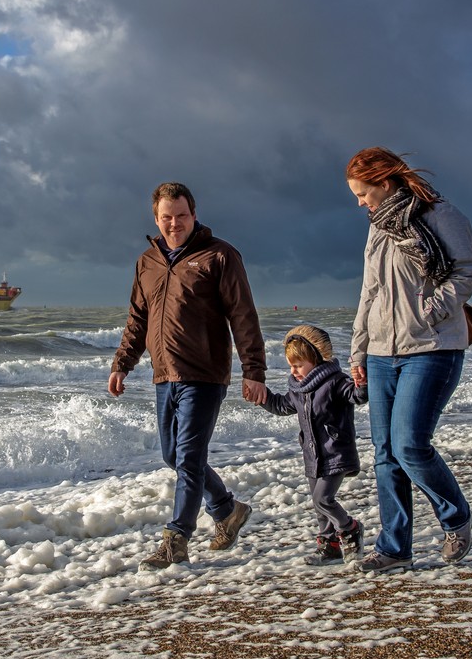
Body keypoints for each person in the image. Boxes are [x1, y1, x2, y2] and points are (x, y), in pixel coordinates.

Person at [110, 182, 268, 570]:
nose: (174, 223)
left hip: (205, 373)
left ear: (194, 214)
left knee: (190, 458)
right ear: (156, 219)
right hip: (164, 374)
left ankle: (176, 539)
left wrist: (254, 371)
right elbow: (138, 318)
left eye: (181, 215)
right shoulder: (147, 261)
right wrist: (122, 363)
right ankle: (227, 510)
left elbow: (243, 316)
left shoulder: (220, 256)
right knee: (174, 456)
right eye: (167, 217)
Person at [346, 147, 472, 574]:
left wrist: (430, 310)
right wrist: (358, 352)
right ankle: (393, 548)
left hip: (433, 348)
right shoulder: (377, 230)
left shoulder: (442, 215)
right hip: (382, 353)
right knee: (385, 453)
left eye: (363, 193)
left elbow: (466, 272)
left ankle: (456, 517)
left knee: (409, 445)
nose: (360, 203)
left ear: (385, 183)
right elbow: (370, 293)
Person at [259, 325, 368, 566]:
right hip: (313, 456)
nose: (294, 371)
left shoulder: (335, 381)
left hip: (336, 452)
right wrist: (262, 396)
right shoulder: (298, 390)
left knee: (323, 499)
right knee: (320, 510)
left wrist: (361, 383)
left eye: (298, 365)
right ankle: (329, 548)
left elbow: (357, 396)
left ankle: (350, 528)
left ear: (315, 359)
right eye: (291, 366)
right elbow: (281, 406)